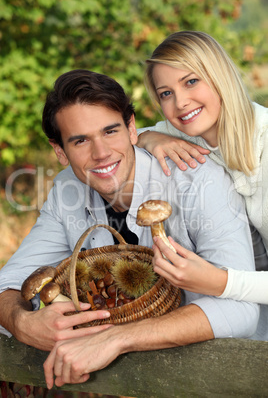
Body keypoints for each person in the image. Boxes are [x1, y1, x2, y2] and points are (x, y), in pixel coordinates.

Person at [0, 69, 259, 388]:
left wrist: (115, 339)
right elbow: (10, 279)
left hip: (231, 375)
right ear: (59, 151)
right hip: (136, 380)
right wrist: (20, 321)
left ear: (132, 128)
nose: (101, 153)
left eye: (110, 131)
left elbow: (242, 311)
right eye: (80, 140)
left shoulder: (199, 180)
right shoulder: (67, 186)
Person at [136, 30, 268, 309]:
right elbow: (118, 139)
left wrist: (218, 282)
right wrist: (151, 138)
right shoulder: (187, 131)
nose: (180, 103)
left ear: (219, 76)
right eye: (166, 94)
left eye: (191, 81)